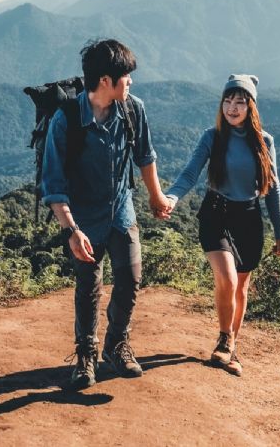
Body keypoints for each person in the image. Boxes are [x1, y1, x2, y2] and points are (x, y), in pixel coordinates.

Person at [42, 39, 172, 390]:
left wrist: (156, 197)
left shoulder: (132, 109)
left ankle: (116, 345)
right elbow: (53, 184)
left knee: (130, 278)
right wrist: (71, 230)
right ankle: (86, 355)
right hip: (82, 216)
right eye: (125, 77)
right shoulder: (65, 120)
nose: (130, 82)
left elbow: (145, 156)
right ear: (105, 80)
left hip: (121, 209)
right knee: (89, 285)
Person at [162, 74, 280, 376]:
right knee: (228, 280)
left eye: (240, 102)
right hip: (216, 214)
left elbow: (272, 187)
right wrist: (171, 197)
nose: (232, 107)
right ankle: (224, 337)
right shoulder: (212, 136)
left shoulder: (264, 141)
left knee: (241, 287)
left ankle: (231, 347)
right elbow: (190, 173)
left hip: (248, 217)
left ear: (251, 107)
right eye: (228, 101)